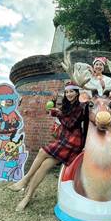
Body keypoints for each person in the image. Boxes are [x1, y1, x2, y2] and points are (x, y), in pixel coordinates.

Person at [9, 82, 85, 212]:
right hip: (65, 139)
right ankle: (27, 197)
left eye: (72, 91)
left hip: (73, 141)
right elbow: (61, 118)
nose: (69, 94)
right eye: (67, 92)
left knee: (42, 151)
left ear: (77, 93)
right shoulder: (68, 106)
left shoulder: (80, 107)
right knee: (44, 166)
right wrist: (55, 109)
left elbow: (70, 124)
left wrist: (59, 114)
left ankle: (25, 179)